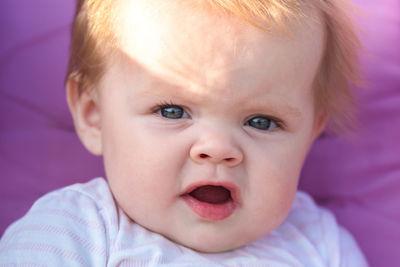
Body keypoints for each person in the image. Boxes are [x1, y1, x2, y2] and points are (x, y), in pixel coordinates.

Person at [0, 0, 368, 265]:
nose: (218, 149)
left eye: (262, 121)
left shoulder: (319, 243)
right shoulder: (74, 231)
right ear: (94, 115)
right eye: (172, 111)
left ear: (309, 134)